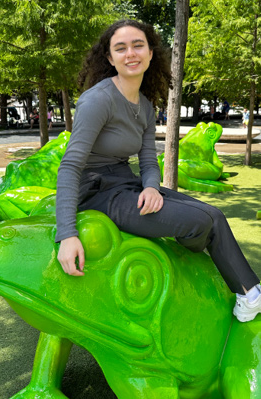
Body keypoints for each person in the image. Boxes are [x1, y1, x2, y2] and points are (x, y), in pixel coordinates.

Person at [55, 19, 261, 322]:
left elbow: (149, 160)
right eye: (120, 48)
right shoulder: (98, 100)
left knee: (213, 216)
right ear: (110, 59)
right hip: (97, 194)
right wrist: (67, 234)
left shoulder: (146, 107)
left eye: (138, 45)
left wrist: (151, 187)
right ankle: (249, 293)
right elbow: (70, 166)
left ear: (151, 53)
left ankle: (250, 293)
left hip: (127, 185)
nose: (131, 53)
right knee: (201, 222)